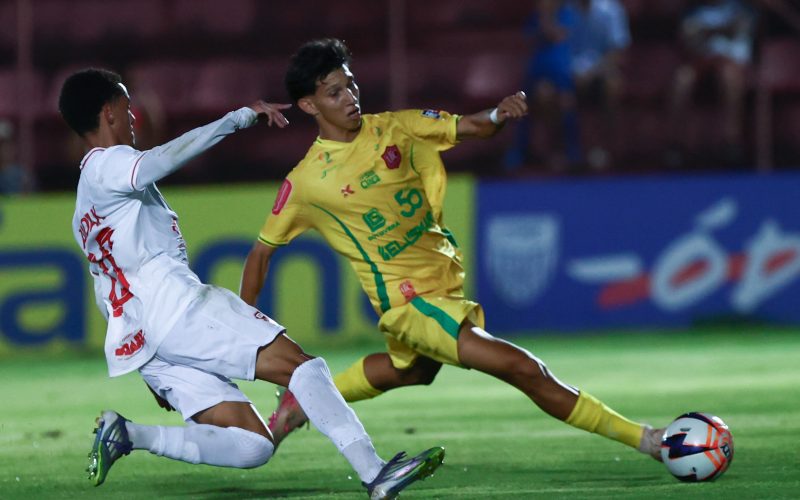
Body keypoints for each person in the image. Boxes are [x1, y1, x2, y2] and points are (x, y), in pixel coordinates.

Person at [239, 39, 665, 467]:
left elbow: (471, 126)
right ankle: (651, 441)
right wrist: (243, 325)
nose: (350, 98)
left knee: (412, 371)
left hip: (443, 282)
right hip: (408, 302)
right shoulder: (307, 181)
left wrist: (499, 114)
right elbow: (261, 252)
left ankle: (298, 402)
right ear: (309, 106)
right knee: (522, 368)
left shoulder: (395, 127)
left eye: (351, 85)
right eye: (335, 93)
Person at [59, 68, 444, 498]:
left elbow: (107, 285)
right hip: (177, 309)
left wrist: (152, 368)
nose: (134, 115)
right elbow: (161, 160)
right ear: (108, 111)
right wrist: (237, 118)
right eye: (126, 106)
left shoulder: (83, 209)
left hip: (146, 337)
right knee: (302, 367)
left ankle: (128, 435)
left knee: (252, 445)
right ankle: (375, 473)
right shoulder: (109, 165)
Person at [665, 0, 757, 169]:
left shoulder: (741, 8)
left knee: (729, 78)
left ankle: (731, 143)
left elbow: (742, 30)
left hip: (731, 62)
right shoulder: (693, 11)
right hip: (700, 61)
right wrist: (722, 30)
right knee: (682, 79)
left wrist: (708, 31)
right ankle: (675, 146)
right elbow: (688, 39)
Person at [505, 0, 581, 171]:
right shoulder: (535, 18)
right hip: (537, 75)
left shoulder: (568, 13)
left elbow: (561, 35)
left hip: (562, 75)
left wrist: (548, 21)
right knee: (522, 102)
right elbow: (529, 38)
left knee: (565, 102)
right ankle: (520, 151)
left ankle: (571, 152)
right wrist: (543, 19)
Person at [570, 0, 631, 170]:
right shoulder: (564, 11)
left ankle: (608, 149)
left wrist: (594, 72)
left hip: (602, 70)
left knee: (612, 85)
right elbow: (559, 48)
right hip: (568, 72)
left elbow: (617, 51)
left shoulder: (611, 9)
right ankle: (565, 152)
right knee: (547, 90)